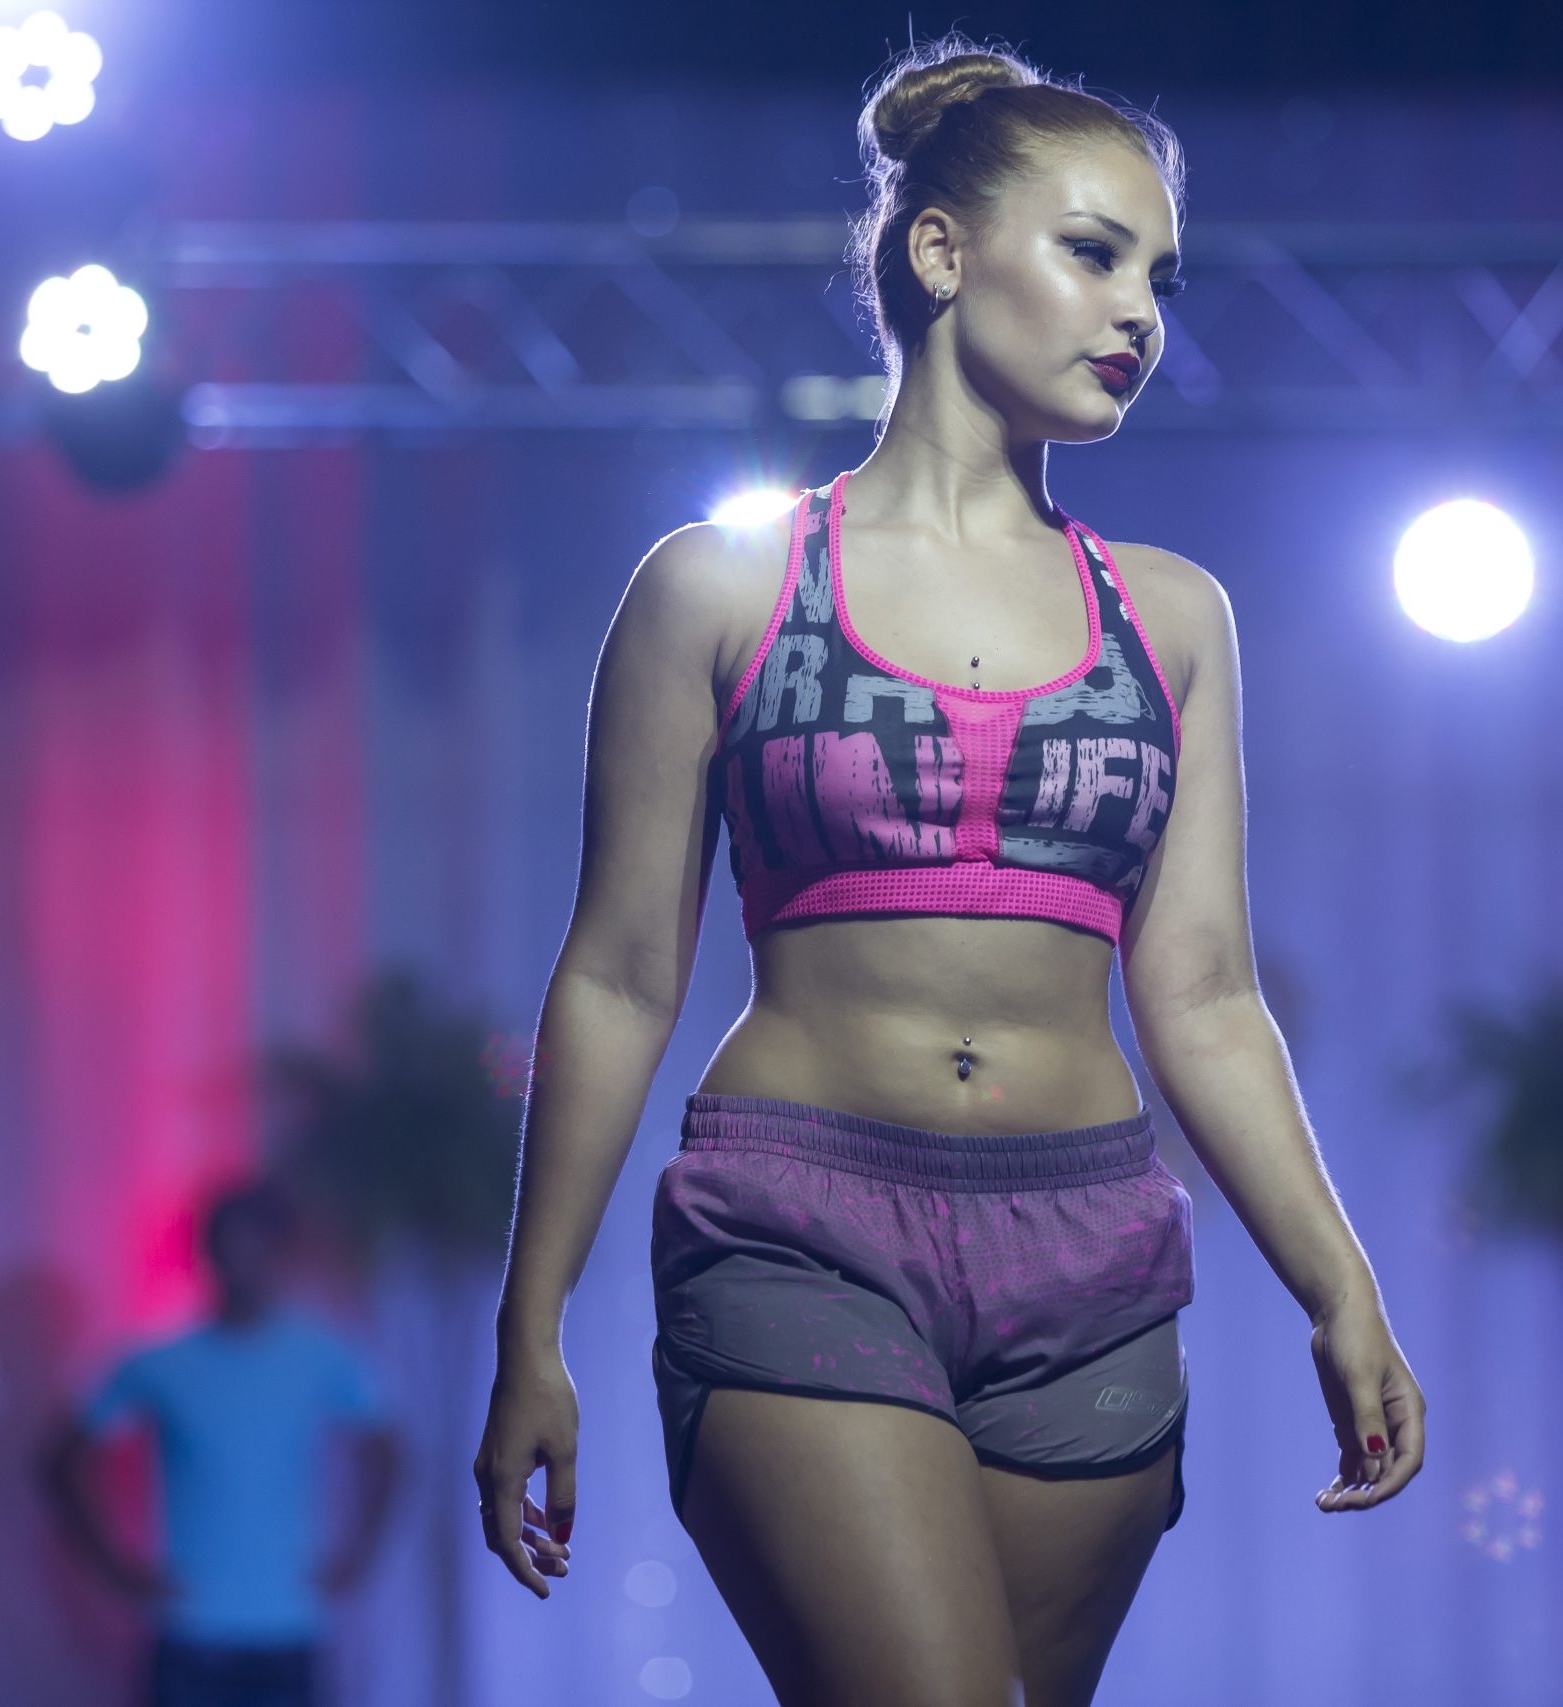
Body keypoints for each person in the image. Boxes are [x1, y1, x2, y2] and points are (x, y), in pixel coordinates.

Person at [475, 34, 1427, 1706]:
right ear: (939, 251)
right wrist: (528, 1322)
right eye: (1095, 253)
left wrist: (1338, 1284)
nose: (1140, 314)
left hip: (1093, 1261)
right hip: (802, 1226)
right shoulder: (721, 584)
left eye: (1161, 280)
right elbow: (620, 972)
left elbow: (1206, 991)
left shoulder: (1173, 616)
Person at [41, 1183, 402, 1707]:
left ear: (282, 1255)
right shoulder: (158, 1362)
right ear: (207, 1255)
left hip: (288, 1625)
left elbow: (388, 1455)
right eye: (231, 1248)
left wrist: (359, 1554)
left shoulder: (324, 1357)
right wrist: (114, 1566)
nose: (243, 1264)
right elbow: (62, 1462)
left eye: (259, 1247)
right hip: (190, 1631)